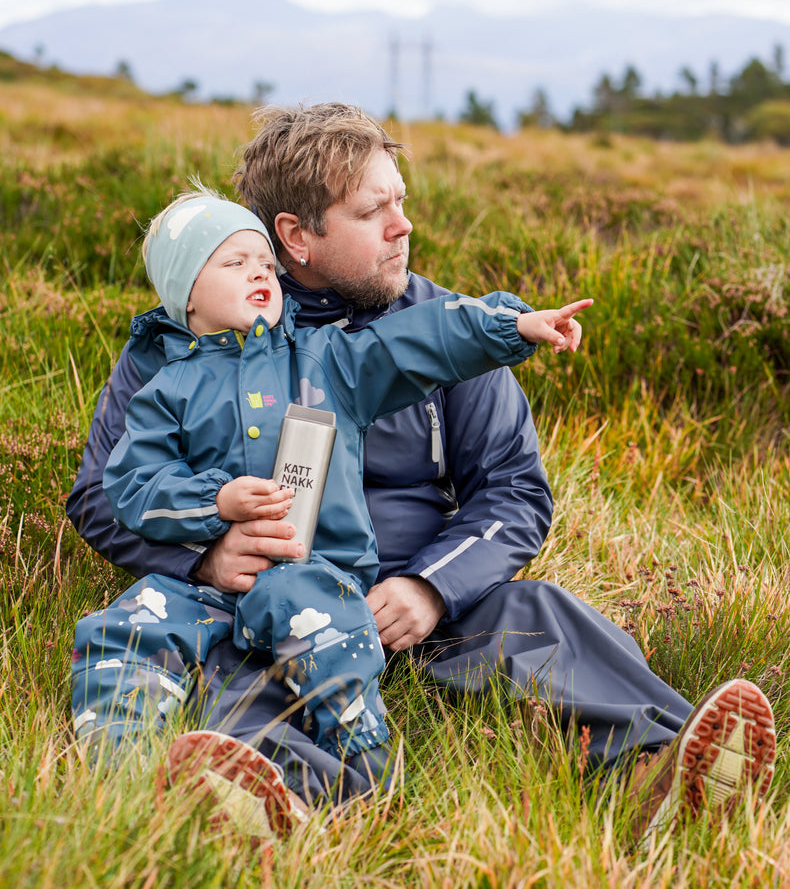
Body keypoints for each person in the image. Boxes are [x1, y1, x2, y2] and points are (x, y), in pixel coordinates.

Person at [66, 103, 775, 844]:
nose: (403, 226)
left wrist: (431, 587)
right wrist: (205, 557)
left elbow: (514, 489)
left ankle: (666, 771)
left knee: (541, 616)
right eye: (374, 211)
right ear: (296, 236)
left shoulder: (439, 331)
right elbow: (102, 491)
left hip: (426, 610)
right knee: (234, 667)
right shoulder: (182, 345)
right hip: (270, 603)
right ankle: (291, 812)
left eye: (401, 201)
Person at [77, 182, 588, 797]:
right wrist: (211, 519)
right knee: (134, 626)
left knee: (341, 629)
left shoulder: (326, 358)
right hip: (225, 595)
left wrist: (511, 326)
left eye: (263, 261)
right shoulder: (162, 381)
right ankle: (127, 777)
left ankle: (368, 772)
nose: (259, 273)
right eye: (234, 264)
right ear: (184, 294)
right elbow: (125, 485)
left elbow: (418, 344)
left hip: (332, 581)